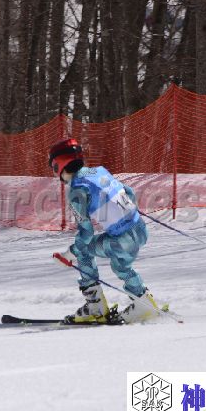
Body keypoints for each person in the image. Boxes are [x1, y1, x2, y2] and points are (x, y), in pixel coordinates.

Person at [48, 138, 160, 324]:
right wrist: (127, 212)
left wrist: (70, 254)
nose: (55, 173)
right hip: (140, 228)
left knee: (83, 250)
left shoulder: (77, 190)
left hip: (122, 241)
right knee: (122, 267)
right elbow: (129, 192)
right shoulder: (98, 171)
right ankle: (143, 301)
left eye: (53, 168)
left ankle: (96, 307)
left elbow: (86, 233)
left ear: (59, 164)